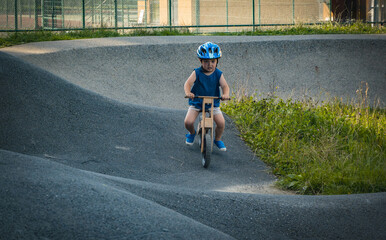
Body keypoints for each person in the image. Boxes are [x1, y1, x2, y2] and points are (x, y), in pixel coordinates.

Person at [184, 42, 230, 151]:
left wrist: (225, 94)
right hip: (197, 102)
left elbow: (225, 86)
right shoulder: (197, 72)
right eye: (206, 61)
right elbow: (188, 84)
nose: (210, 64)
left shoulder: (218, 74)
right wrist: (188, 92)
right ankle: (192, 133)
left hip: (213, 103)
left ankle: (217, 139)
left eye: (213, 61)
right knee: (188, 122)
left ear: (217, 61)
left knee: (221, 123)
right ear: (200, 61)